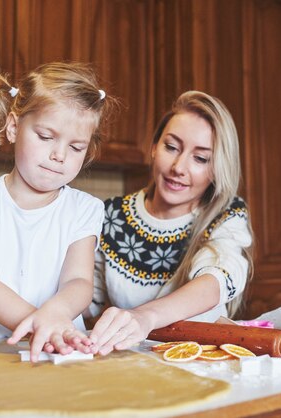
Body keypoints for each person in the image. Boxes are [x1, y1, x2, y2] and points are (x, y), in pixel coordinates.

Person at [0, 62, 110, 361]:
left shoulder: (85, 209)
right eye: (46, 137)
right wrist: (42, 324)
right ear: (13, 127)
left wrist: (56, 315)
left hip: (57, 353)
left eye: (76, 147)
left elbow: (79, 281)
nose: (59, 155)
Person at [85, 90, 254, 355]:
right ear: (154, 147)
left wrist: (145, 317)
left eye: (200, 158)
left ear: (216, 168)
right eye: (171, 147)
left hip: (201, 363)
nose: (178, 167)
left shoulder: (226, 213)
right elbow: (87, 302)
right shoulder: (110, 215)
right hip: (130, 365)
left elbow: (216, 280)